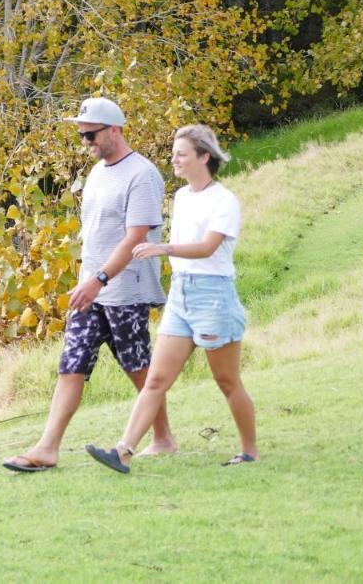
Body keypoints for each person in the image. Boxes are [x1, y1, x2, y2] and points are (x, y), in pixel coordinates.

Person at [2, 97, 176, 472]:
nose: (86, 142)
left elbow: (135, 239)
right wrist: (88, 281)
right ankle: (47, 448)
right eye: (81, 136)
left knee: (138, 367)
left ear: (115, 129)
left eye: (91, 134)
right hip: (91, 290)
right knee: (72, 363)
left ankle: (162, 438)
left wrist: (100, 280)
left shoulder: (141, 175)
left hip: (124, 289)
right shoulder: (97, 173)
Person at [86, 124, 258, 474]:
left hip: (213, 295)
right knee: (155, 380)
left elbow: (208, 247)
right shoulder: (181, 197)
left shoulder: (224, 201)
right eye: (174, 153)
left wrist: (161, 249)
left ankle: (249, 451)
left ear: (204, 157)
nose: (174, 160)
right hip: (181, 294)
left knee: (227, 381)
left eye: (181, 154)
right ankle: (123, 451)